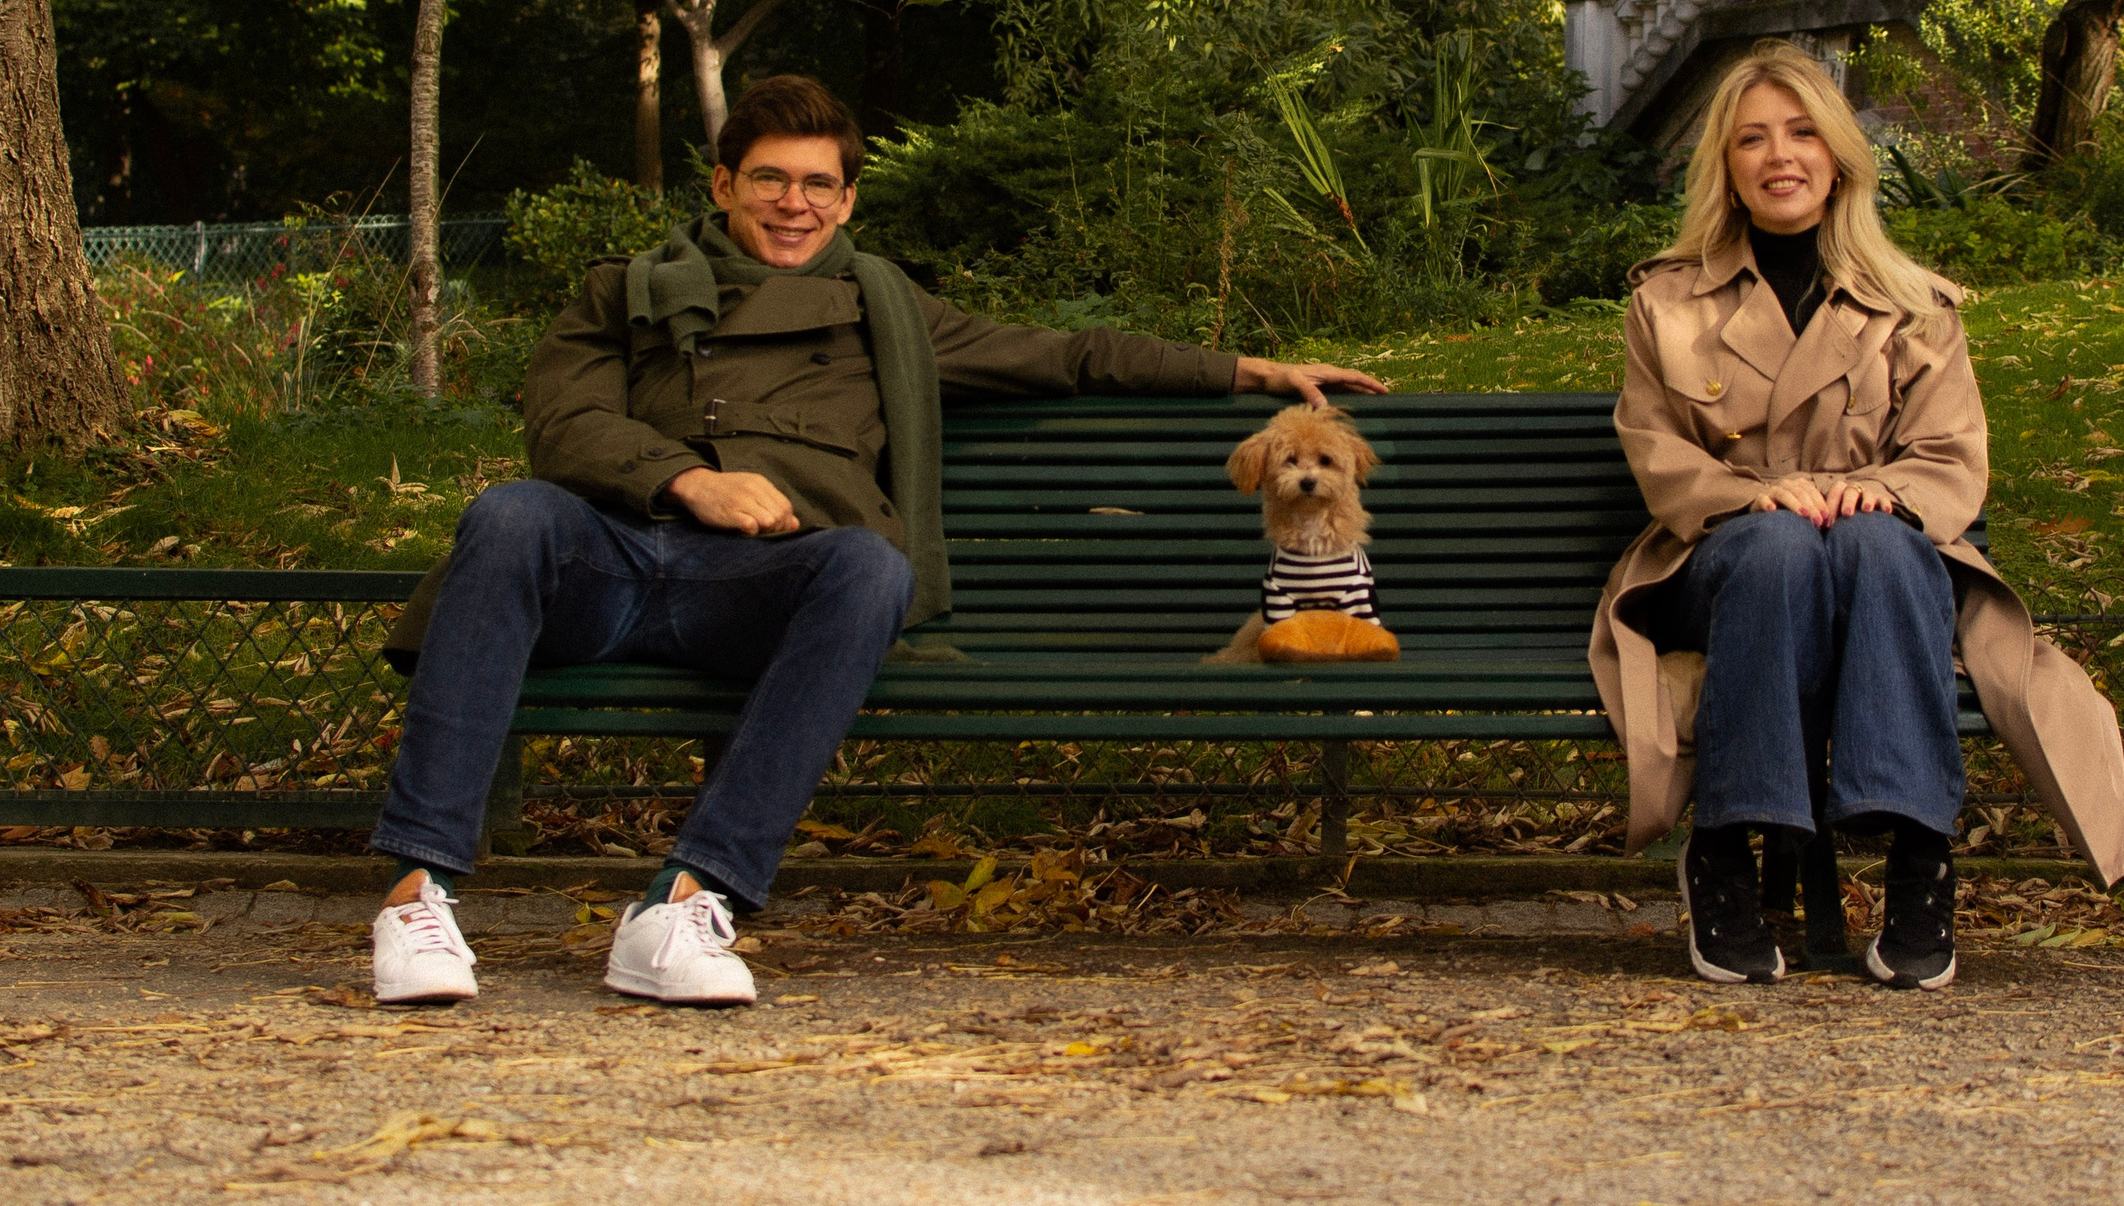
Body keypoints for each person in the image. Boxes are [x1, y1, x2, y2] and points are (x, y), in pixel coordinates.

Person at [367, 74, 1385, 1007]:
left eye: (818, 184)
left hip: (760, 589)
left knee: (868, 565)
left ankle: (685, 906)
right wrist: (691, 481)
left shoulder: (886, 311)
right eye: (769, 178)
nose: (793, 202)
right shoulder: (622, 290)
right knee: (509, 513)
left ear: (848, 200)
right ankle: (417, 898)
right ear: (725, 183)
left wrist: (1245, 370)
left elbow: (1068, 355)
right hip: (611, 560)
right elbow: (565, 424)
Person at [1588, 41, 2124, 993]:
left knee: (1879, 542)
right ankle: (1724, 850)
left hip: (1878, 564)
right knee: (1779, 549)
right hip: (1720, 563)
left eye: (1801, 132)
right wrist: (1753, 494)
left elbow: (1951, 452)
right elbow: (1657, 447)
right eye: (1752, 139)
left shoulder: (1912, 305)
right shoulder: (1666, 302)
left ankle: (1922, 862)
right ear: (1727, 164)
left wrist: (1889, 489)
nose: (1779, 155)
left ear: (1838, 155)